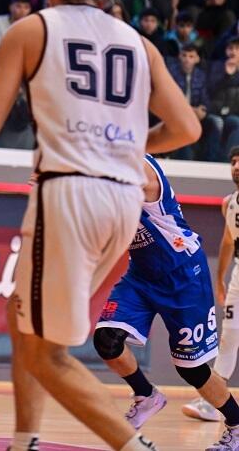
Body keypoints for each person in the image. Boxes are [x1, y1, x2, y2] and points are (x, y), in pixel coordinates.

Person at [0, 0, 201, 447]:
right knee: (24, 321)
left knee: (47, 355)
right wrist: (119, 143)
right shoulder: (139, 44)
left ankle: (132, 443)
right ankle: (25, 440)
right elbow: (188, 129)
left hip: (69, 195)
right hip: (124, 200)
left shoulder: (31, 30)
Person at [94, 155, 239, 450]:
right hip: (142, 274)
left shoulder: (137, 166)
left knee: (192, 370)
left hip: (183, 274)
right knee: (106, 340)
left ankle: (236, 424)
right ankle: (146, 395)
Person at [185, 147, 239, 423]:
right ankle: (215, 402)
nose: (237, 166)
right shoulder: (228, 202)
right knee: (229, 334)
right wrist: (220, 278)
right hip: (238, 275)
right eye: (233, 161)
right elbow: (229, 241)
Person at [166, 44, 222, 161]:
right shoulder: (171, 73)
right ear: (179, 56)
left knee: (213, 122)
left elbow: (206, 99)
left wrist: (203, 110)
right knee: (185, 124)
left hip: (196, 115)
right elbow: (169, 98)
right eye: (184, 55)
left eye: (191, 56)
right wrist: (190, 111)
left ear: (197, 59)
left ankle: (211, 162)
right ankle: (184, 160)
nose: (187, 59)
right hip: (176, 114)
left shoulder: (201, 75)